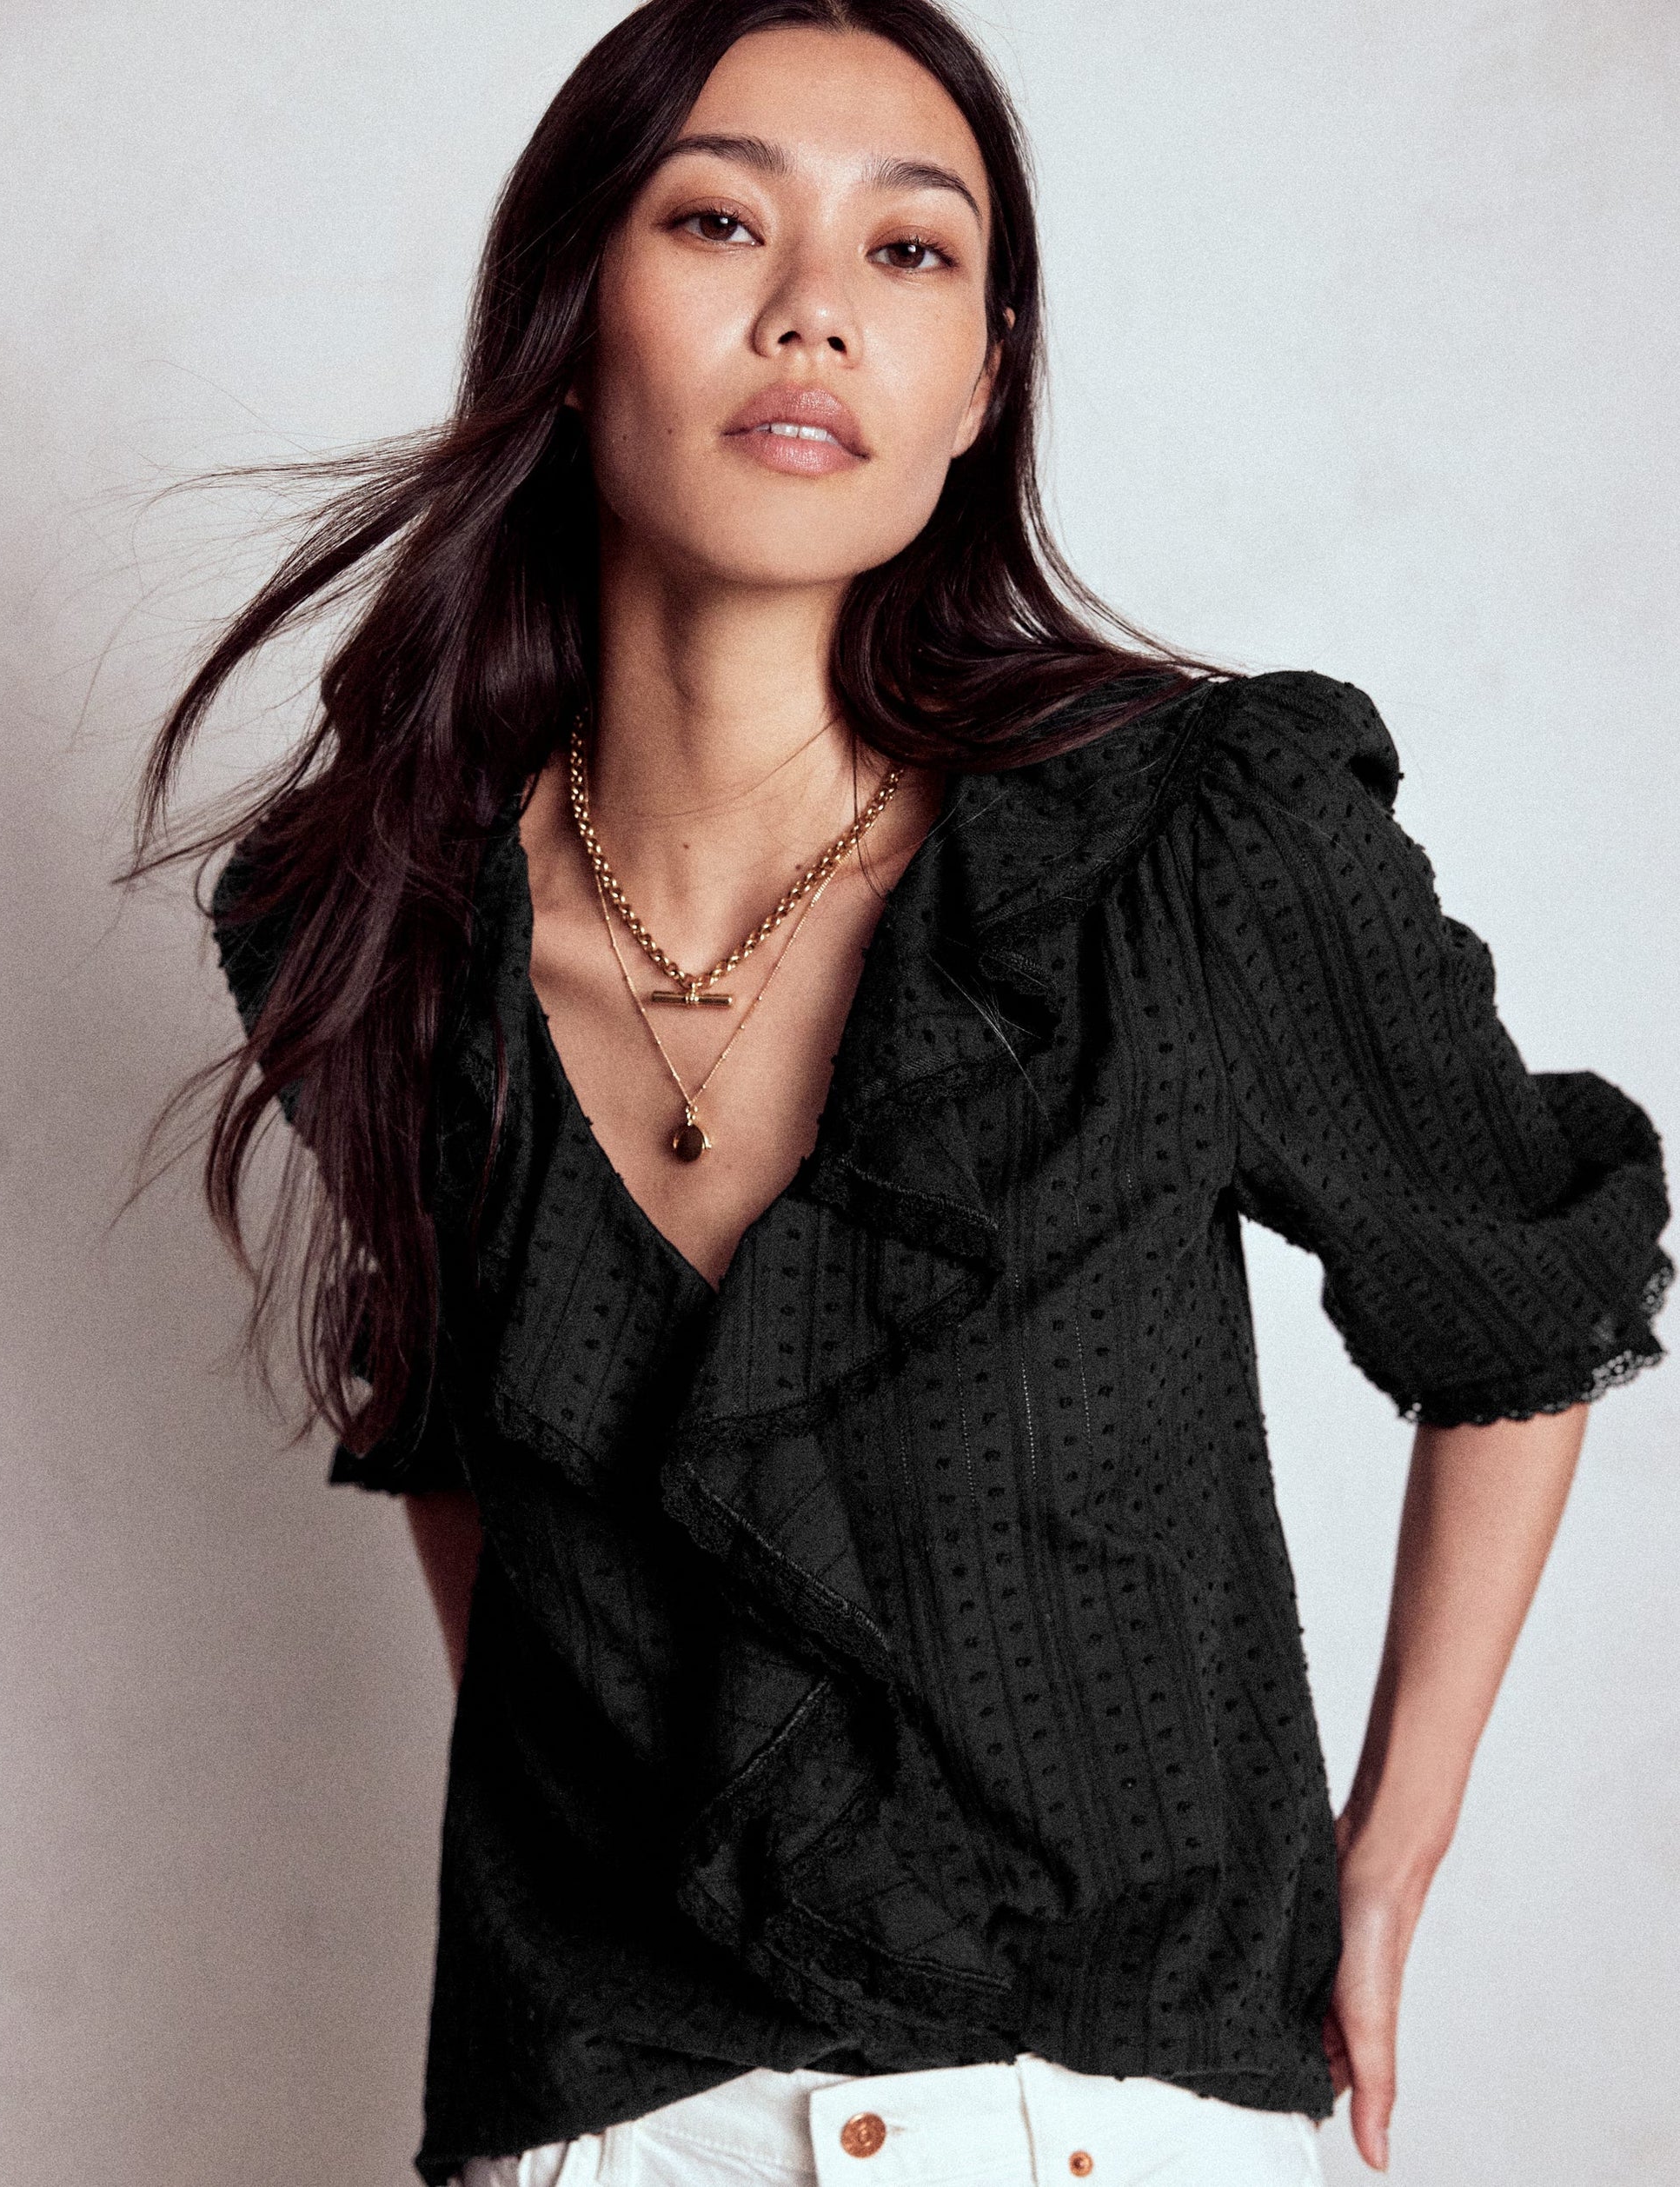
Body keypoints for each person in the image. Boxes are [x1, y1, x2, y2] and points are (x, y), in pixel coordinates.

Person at [130, 3, 1672, 2183]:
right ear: (566, 316)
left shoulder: (1180, 843)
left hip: (1100, 2126)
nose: (814, 313)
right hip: (609, 2142)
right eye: (716, 220)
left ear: (981, 381)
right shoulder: (372, 924)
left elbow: (1514, 1305)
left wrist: (1386, 1861)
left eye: (910, 251)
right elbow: (473, 1451)